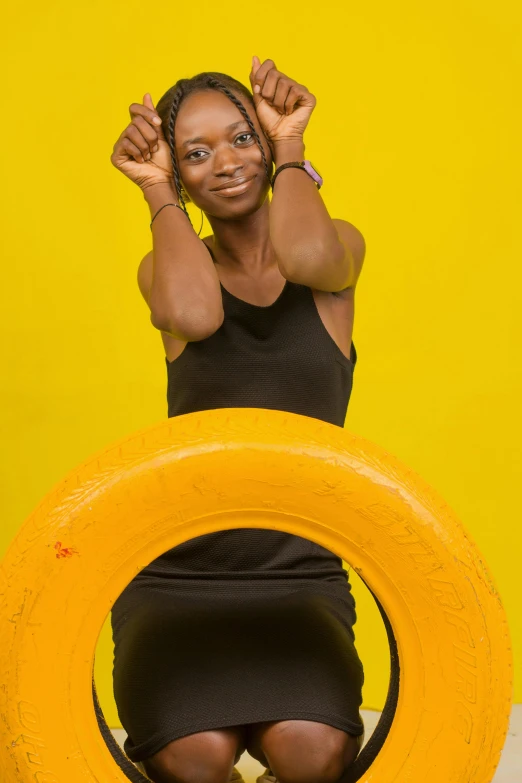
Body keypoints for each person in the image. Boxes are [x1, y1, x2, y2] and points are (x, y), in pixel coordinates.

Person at [109, 56, 367, 783]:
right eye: (195, 153)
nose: (223, 163)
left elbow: (306, 252)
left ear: (266, 142)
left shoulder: (336, 250)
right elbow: (195, 314)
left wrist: (292, 145)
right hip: (181, 576)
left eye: (241, 138)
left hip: (299, 573)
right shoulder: (165, 268)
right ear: (183, 176)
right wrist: (155, 188)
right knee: (197, 760)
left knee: (310, 755)